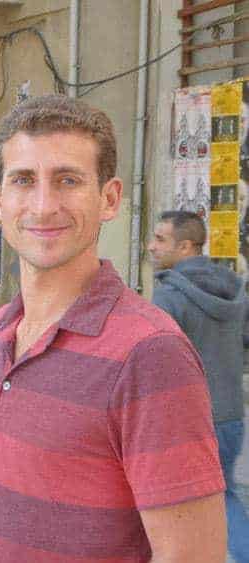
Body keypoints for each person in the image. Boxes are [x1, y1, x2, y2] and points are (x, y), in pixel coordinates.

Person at [0, 95, 226, 563]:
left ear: (109, 199)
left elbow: (193, 555)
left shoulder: (149, 353)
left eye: (67, 180)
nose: (43, 207)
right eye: (24, 180)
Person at [148, 210, 249, 562]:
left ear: (187, 246)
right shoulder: (234, 288)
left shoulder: (168, 297)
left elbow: (155, 364)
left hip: (189, 421)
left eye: (160, 239)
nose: (151, 246)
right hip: (232, 416)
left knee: (162, 501)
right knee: (223, 494)